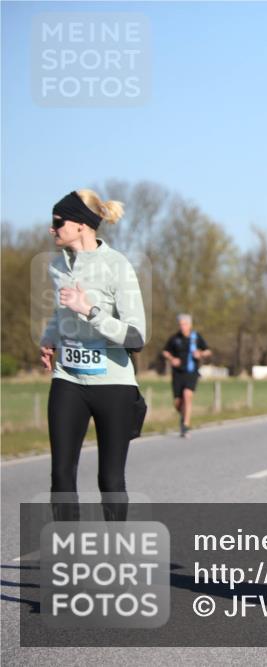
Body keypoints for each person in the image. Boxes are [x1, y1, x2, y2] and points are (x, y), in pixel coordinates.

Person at [39, 189, 146, 521]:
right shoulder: (58, 267)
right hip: (68, 378)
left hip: (113, 384)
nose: (52, 228)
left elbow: (136, 336)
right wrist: (50, 337)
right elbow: (61, 313)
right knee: (60, 476)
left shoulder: (117, 265)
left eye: (58, 222)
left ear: (81, 224)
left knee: (110, 480)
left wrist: (90, 310)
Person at [162, 314, 211, 437]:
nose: (182, 327)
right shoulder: (174, 338)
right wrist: (172, 359)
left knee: (187, 395)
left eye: (185, 324)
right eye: (181, 324)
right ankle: (184, 416)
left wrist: (200, 353)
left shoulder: (196, 337)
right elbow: (165, 351)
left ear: (190, 325)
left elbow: (208, 351)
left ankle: (185, 426)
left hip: (191, 372)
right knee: (177, 403)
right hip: (177, 373)